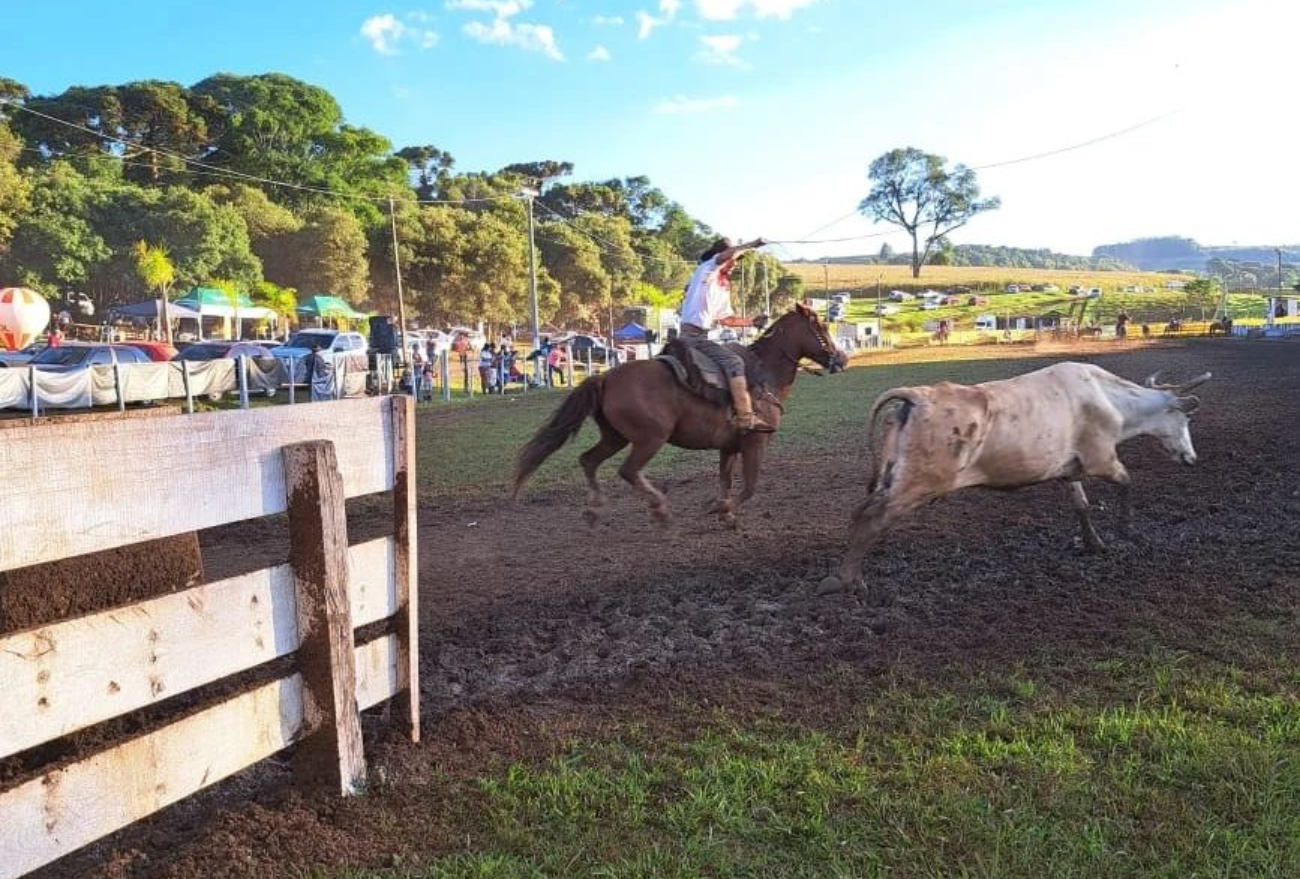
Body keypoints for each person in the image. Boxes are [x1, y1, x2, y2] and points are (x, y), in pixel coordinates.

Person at [679, 236, 773, 432]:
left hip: (701, 336)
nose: (734, 265)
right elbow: (727, 255)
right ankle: (746, 417)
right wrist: (753, 244)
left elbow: (726, 319)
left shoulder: (722, 286)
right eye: (733, 260)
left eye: (736, 261)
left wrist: (752, 321)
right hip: (693, 336)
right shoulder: (707, 269)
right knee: (734, 362)